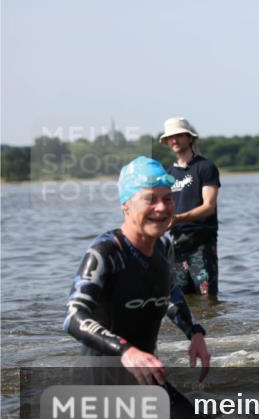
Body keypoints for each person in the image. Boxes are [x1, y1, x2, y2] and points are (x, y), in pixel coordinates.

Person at [63, 156, 211, 386]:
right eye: (150, 200)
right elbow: (74, 318)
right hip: (99, 386)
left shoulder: (162, 247)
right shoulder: (106, 252)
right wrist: (127, 352)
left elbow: (170, 293)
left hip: (146, 378)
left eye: (168, 199)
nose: (161, 208)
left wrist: (195, 333)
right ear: (126, 205)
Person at [160, 117, 221, 298]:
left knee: (207, 296)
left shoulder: (205, 167)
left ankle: (213, 325)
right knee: (180, 296)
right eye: (170, 137)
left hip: (202, 241)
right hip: (177, 242)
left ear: (190, 138)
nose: (174, 140)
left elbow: (208, 207)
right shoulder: (168, 174)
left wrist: (179, 218)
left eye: (178, 135)